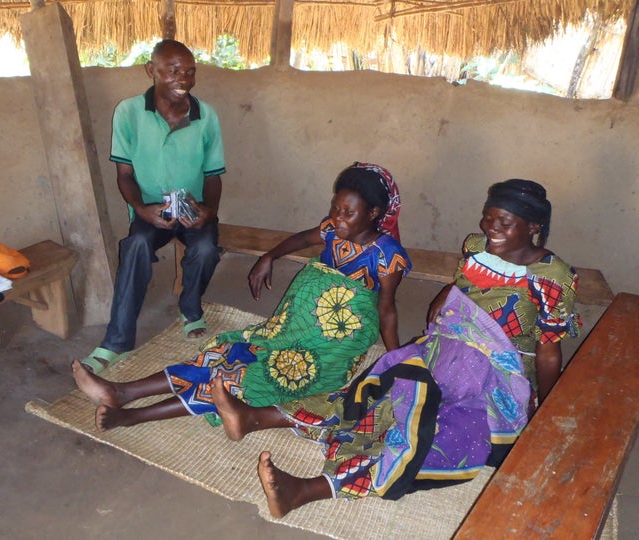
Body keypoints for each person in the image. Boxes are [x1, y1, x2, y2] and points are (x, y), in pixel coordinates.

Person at [208, 178, 581, 518]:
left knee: (429, 434)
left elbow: (549, 351)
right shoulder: (476, 246)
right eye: (488, 218)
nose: (491, 229)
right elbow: (464, 285)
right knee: (373, 392)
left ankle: (307, 491)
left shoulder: (552, 278)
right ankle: (255, 417)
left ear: (533, 228)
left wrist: (546, 408)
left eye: (504, 222)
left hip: (496, 375)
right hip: (448, 348)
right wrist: (444, 294)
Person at [72, 162, 412, 431]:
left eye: (347, 213)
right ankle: (125, 392)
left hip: (332, 347)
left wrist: (395, 359)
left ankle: (132, 417)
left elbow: (385, 310)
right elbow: (301, 239)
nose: (337, 218)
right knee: (225, 352)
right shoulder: (331, 230)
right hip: (295, 328)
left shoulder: (386, 256)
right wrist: (269, 257)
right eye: (335, 208)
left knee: (244, 378)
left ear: (374, 214)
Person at [81, 39, 227, 373]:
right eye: (173, 70)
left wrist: (209, 211)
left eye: (190, 72)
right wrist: (141, 210)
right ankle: (116, 343)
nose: (183, 79)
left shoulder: (206, 116)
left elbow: (214, 175)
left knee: (206, 248)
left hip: (192, 207)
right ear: (152, 71)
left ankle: (190, 309)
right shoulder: (129, 112)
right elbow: (124, 174)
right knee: (135, 246)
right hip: (151, 209)